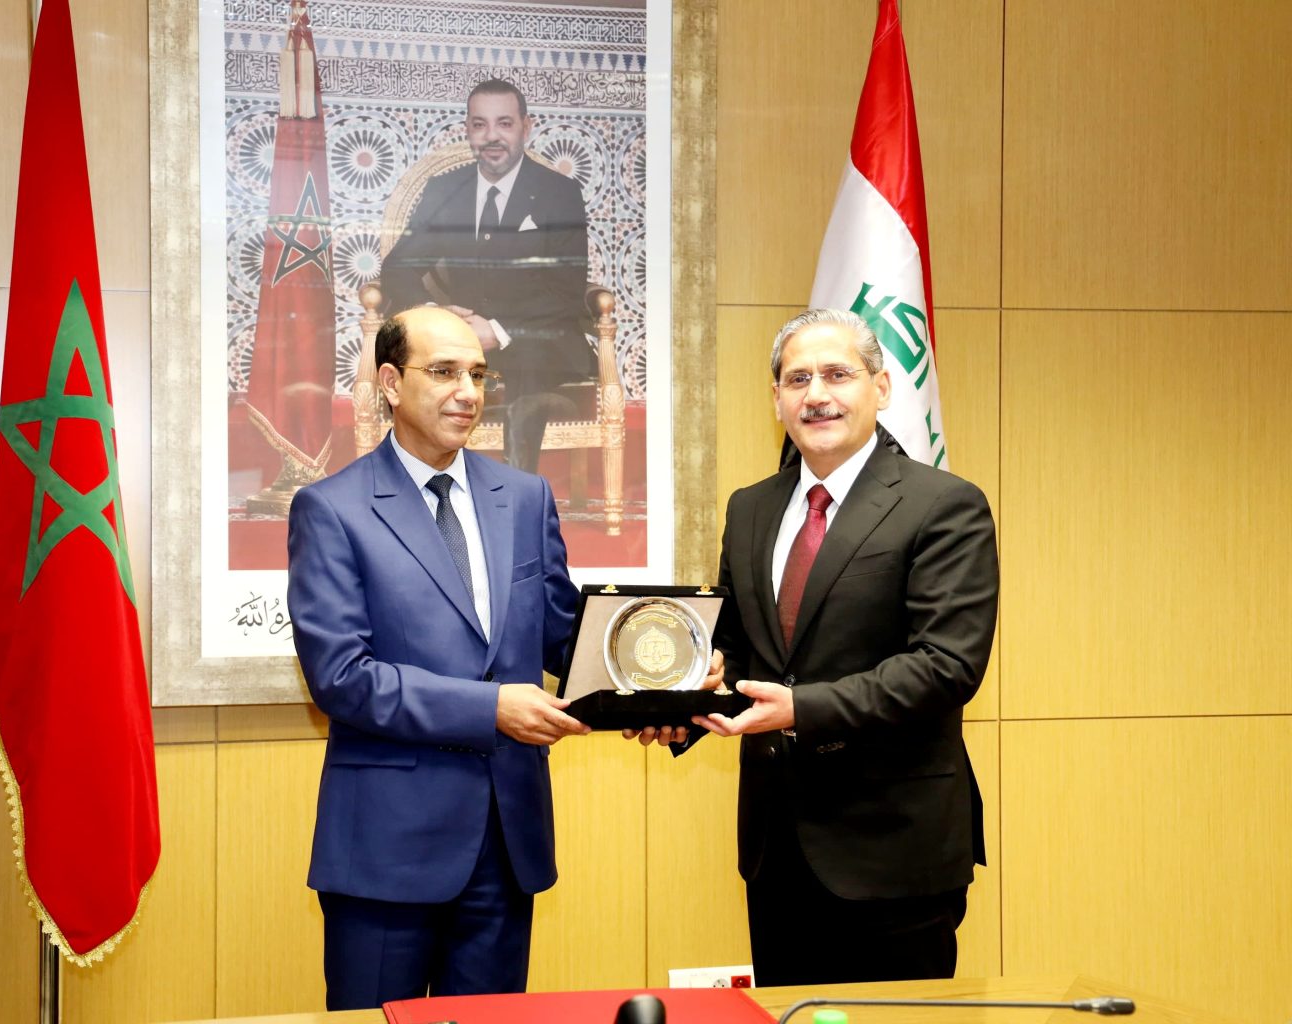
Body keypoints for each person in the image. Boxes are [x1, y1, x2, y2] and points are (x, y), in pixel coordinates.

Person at [641, 308, 999, 986]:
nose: (817, 394)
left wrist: (800, 709)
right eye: (797, 379)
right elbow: (738, 649)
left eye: (837, 374)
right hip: (777, 849)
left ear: (881, 388)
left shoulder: (943, 504)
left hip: (894, 847)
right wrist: (681, 701)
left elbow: (947, 665)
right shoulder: (750, 507)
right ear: (776, 399)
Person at [286, 306, 589, 1010]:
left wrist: (661, 680)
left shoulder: (524, 497)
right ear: (391, 383)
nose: (467, 392)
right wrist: (492, 708)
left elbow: (563, 637)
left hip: (506, 845)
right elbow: (342, 678)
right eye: (445, 372)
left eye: (478, 374)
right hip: (385, 851)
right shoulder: (332, 509)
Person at [380, 78, 593, 473]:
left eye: (504, 123)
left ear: (526, 127)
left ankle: (518, 484)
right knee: (415, 361)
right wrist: (438, 317)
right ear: (468, 130)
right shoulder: (445, 190)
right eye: (480, 124)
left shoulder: (558, 193)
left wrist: (497, 329)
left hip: (535, 337)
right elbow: (397, 267)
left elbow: (565, 289)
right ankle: (424, 482)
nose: (492, 136)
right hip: (459, 342)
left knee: (531, 357)